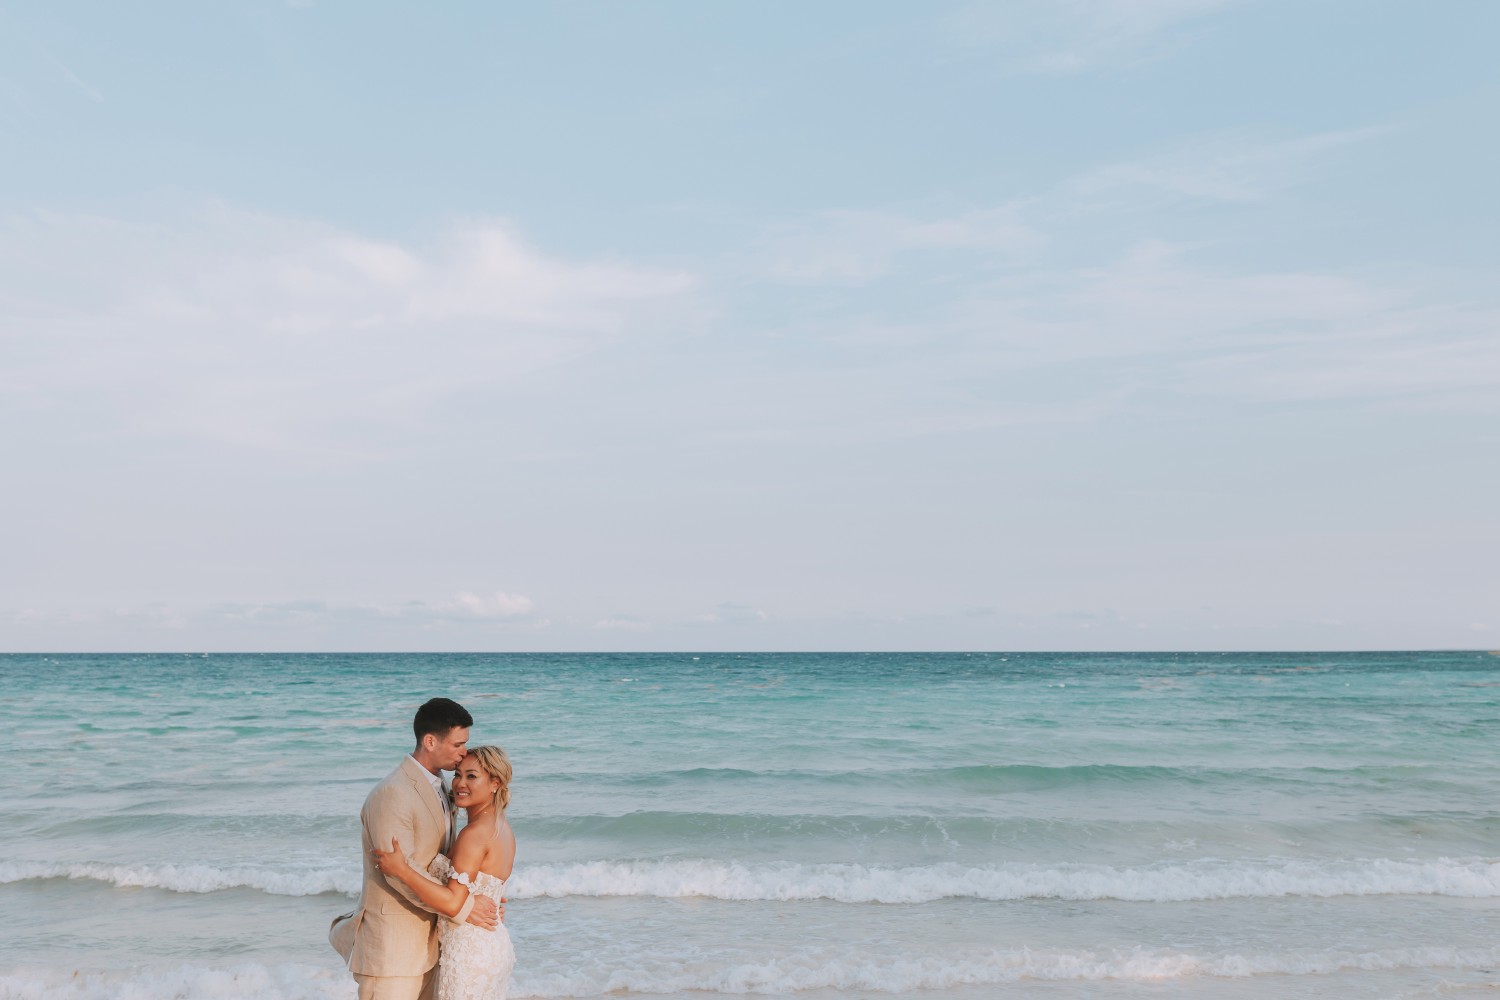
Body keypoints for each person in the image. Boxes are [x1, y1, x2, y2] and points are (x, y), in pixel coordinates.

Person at [330, 698, 502, 1000]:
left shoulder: (442, 787)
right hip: (393, 952)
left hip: (432, 945)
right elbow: (397, 872)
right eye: (458, 744)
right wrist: (464, 908)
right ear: (431, 741)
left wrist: (482, 894)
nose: (463, 753)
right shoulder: (392, 793)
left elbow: (446, 862)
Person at [374, 745, 517, 1000]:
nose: (460, 783)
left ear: (495, 783)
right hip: (492, 945)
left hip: (468, 952)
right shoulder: (502, 829)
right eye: (458, 774)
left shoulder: (474, 834)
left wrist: (402, 871)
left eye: (472, 776)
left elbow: (453, 900)